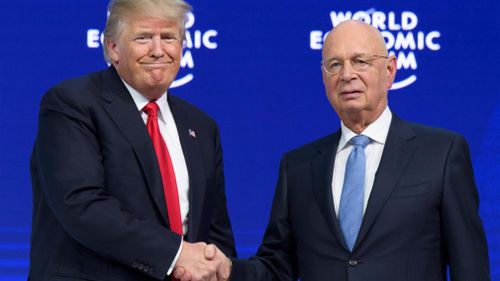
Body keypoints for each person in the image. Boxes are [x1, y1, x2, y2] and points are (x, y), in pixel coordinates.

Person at [226, 20, 490, 281]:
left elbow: (470, 269)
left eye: (360, 61)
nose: (347, 74)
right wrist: (227, 270)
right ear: (324, 78)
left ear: (389, 71)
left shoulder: (441, 154)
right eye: (335, 65)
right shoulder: (297, 168)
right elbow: (276, 267)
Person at [28, 0, 235, 280]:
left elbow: (215, 231)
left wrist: (217, 266)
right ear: (113, 48)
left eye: (169, 37)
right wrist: (176, 255)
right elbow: (82, 205)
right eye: (143, 37)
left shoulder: (201, 126)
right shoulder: (71, 104)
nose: (158, 50)